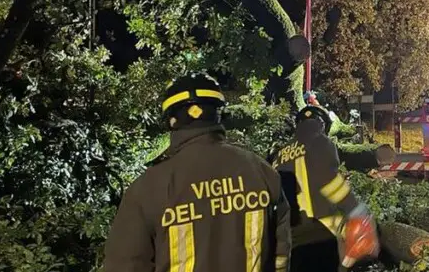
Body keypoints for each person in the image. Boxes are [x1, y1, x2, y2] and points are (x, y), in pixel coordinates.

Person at [104, 72, 292, 272]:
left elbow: (125, 264)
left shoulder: (148, 188)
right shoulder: (260, 170)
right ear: (219, 114)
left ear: (171, 121)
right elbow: (281, 254)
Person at [273, 105, 379, 272]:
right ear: (323, 125)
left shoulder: (278, 155)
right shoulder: (320, 141)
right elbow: (330, 182)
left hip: (289, 239)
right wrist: (356, 210)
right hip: (319, 234)